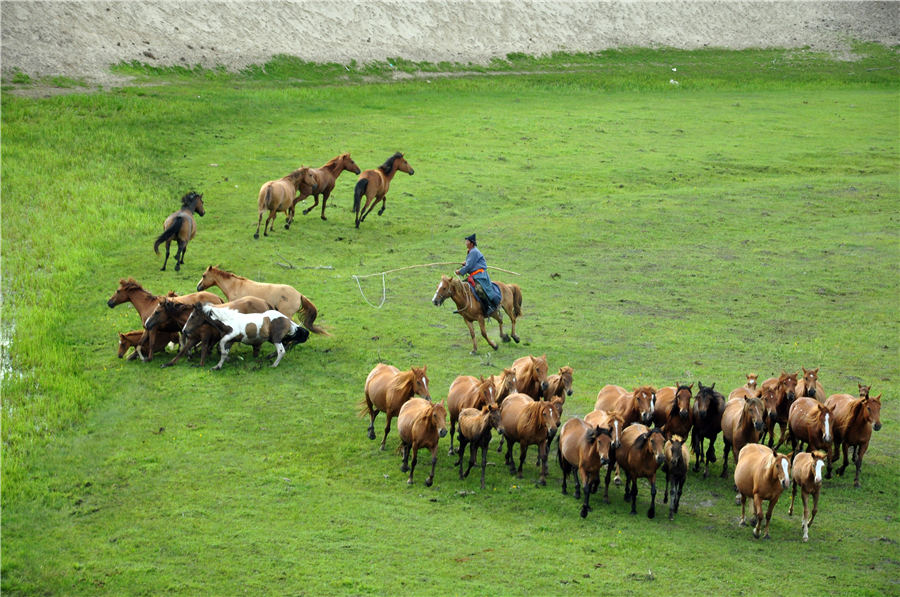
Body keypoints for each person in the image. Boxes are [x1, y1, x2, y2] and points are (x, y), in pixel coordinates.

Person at [456, 233, 501, 316]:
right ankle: (463, 307)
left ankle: (489, 307)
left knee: (479, 289)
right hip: (474, 276)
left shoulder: (474, 252)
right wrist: (465, 263)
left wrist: (460, 271)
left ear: (471, 243)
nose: (466, 242)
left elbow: (469, 266)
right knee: (463, 287)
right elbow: (470, 263)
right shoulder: (471, 252)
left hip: (480, 276)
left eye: (467, 241)